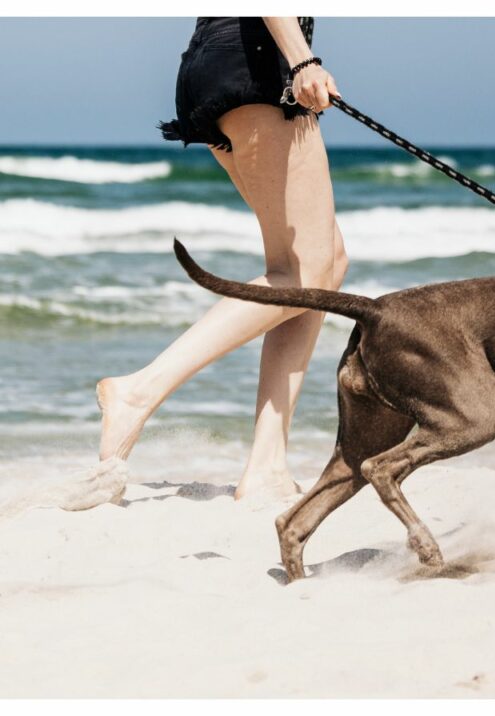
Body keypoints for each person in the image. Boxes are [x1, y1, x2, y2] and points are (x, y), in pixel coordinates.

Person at [95, 17, 346, 505]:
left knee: (321, 263)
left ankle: (268, 465)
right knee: (306, 271)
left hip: (225, 61)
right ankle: (139, 391)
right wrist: (303, 58)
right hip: (255, 62)